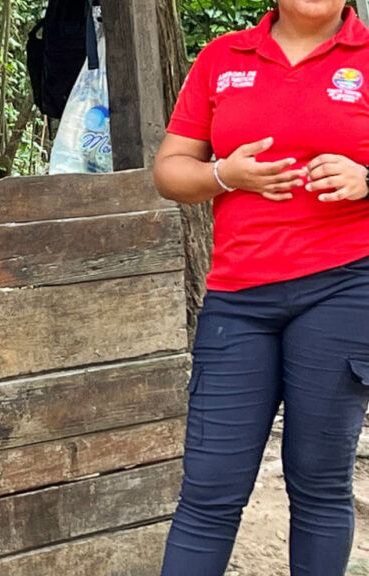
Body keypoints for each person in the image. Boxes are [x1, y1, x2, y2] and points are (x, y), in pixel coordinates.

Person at [154, 2, 369, 574]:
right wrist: (227, 174)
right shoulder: (224, 57)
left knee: (319, 482)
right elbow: (170, 171)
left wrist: (366, 179)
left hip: (344, 287)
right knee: (209, 489)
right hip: (238, 296)